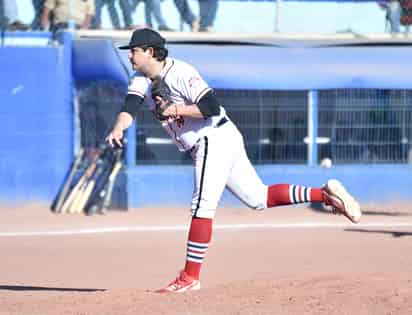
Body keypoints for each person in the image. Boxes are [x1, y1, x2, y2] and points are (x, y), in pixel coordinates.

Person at [106, 28, 362, 293]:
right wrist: (118, 128)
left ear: (149, 51)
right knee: (258, 198)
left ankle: (190, 277)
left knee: (202, 205)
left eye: (134, 50)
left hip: (213, 138)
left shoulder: (181, 72)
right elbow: (130, 106)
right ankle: (325, 195)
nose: (130, 56)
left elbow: (210, 107)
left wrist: (176, 109)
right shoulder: (140, 79)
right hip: (219, 139)